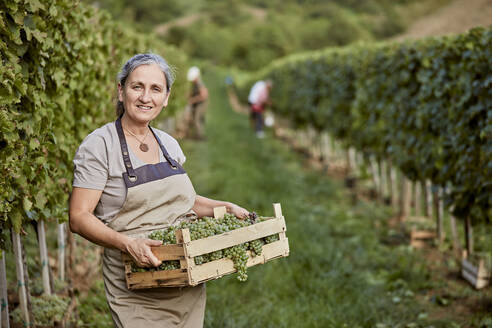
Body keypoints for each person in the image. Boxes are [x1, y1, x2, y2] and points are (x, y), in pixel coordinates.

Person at [69, 53, 249, 328]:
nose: (145, 97)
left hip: (186, 279)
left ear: (166, 98)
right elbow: (79, 217)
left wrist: (224, 207)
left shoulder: (169, 144)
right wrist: (128, 244)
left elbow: (184, 202)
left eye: (155, 89)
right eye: (136, 86)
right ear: (121, 91)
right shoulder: (100, 146)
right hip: (136, 285)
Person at [186, 66, 208, 140]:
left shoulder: (199, 83)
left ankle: (200, 136)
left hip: (201, 104)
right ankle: (197, 135)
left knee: (197, 119)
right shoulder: (195, 84)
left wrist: (193, 100)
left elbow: (204, 95)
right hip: (198, 104)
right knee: (196, 119)